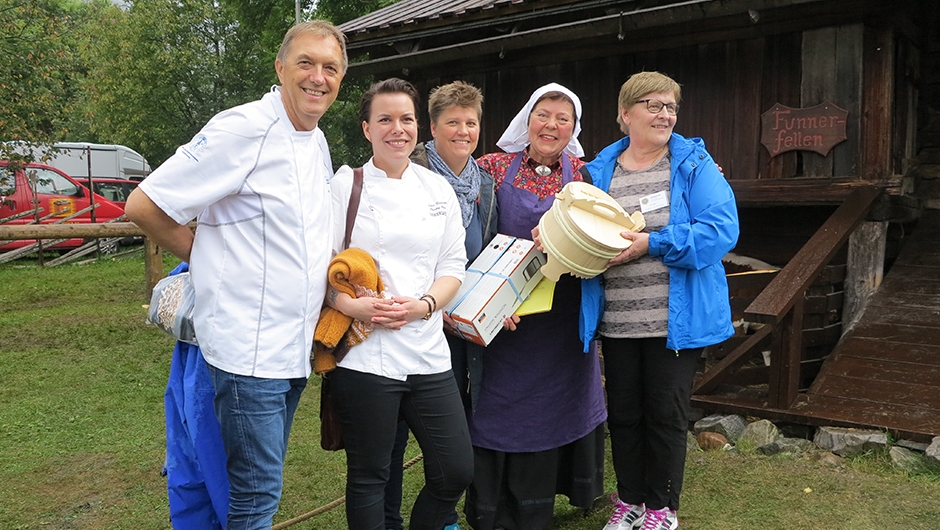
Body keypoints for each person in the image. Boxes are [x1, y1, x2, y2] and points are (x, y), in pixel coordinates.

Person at [124, 20, 347, 530]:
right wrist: (200, 251)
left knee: (257, 485)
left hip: (293, 349)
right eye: (306, 63)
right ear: (280, 68)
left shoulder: (315, 140)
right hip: (250, 351)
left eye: (330, 68)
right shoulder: (243, 128)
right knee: (255, 496)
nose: (318, 77)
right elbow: (144, 204)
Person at [581, 71, 739, 530]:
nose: (664, 114)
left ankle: (661, 510)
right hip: (617, 320)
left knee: (665, 416)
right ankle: (629, 500)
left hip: (675, 321)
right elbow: (586, 231)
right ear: (625, 113)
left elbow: (720, 231)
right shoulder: (598, 171)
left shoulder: (693, 164)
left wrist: (650, 243)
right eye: (653, 105)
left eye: (670, 106)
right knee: (625, 415)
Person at [326, 77, 474, 530]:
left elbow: (453, 265)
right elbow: (316, 269)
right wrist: (353, 308)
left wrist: (425, 305)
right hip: (365, 356)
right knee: (371, 475)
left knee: (455, 470)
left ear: (418, 127)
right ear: (367, 129)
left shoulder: (437, 190)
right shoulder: (344, 186)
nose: (398, 129)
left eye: (406, 119)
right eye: (385, 119)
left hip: (428, 351)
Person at [464, 83, 607, 530]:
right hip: (505, 317)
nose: (552, 125)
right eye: (544, 115)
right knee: (498, 406)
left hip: (563, 319)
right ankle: (495, 504)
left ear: (574, 128)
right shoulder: (490, 168)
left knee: (561, 404)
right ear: (527, 119)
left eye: (563, 118)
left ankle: (557, 492)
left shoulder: (586, 176)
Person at [382, 80, 499, 530]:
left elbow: (487, 254)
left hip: (464, 325)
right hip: (409, 322)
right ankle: (388, 518)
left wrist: (497, 302)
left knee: (452, 432)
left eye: (471, 123)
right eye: (453, 122)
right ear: (432, 127)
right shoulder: (404, 170)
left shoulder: (484, 185)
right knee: (391, 436)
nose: (463, 131)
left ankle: (442, 515)